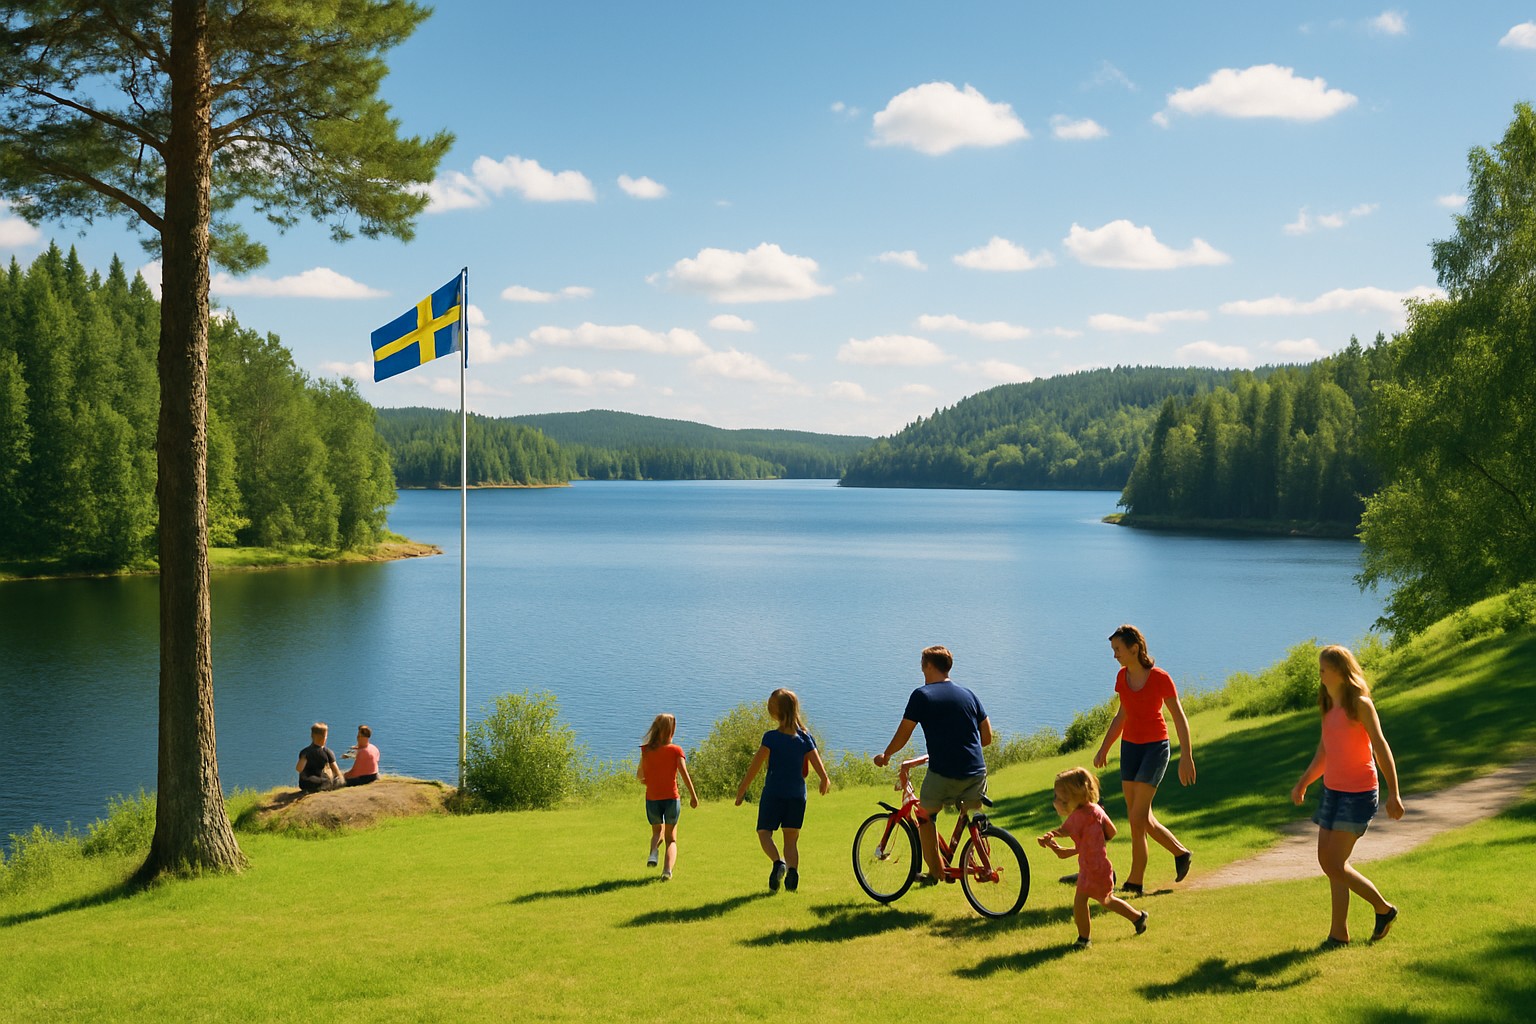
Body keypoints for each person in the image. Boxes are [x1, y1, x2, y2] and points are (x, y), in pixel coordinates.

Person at [1290, 644, 1404, 946]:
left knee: (1335, 863)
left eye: (1323, 668)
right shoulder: (1328, 705)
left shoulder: (1361, 705)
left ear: (1340, 671)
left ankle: (1383, 908)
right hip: (1332, 791)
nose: (1320, 673)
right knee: (1328, 862)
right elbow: (1324, 751)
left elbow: (1380, 746)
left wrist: (1394, 793)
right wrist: (1303, 782)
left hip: (1358, 793)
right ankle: (1338, 933)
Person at [872, 645, 992, 885]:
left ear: (927, 666)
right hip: (977, 772)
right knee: (969, 812)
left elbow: (904, 732)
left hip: (944, 773)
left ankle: (934, 874)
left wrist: (886, 755)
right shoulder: (969, 694)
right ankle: (976, 850)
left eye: (921, 663)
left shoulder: (922, 695)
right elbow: (986, 738)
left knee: (924, 817)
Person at [1093, 625, 1196, 893]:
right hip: (1130, 749)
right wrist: (1104, 748)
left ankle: (1135, 881)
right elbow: (1122, 715)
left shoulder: (1160, 678)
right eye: (1113, 649)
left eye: (1118, 649)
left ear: (1134, 648)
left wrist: (1187, 755)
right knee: (1140, 817)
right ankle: (1181, 853)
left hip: (1155, 749)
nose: (1114, 655)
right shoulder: (1121, 678)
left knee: (1137, 818)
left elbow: (1179, 717)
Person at [1038, 767, 1148, 947]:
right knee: (1106, 900)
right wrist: (1095, 843)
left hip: (1092, 869)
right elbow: (1111, 831)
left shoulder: (1077, 816)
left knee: (1086, 902)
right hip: (1100, 866)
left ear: (1073, 797)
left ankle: (1084, 939)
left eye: (1059, 798)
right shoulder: (1096, 810)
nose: (1056, 801)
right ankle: (1137, 918)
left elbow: (1064, 830)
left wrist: (1051, 836)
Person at [734, 688, 830, 892]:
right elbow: (817, 762)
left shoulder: (771, 738)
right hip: (797, 796)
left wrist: (743, 788)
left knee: (764, 833)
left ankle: (779, 863)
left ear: (777, 712)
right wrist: (824, 779)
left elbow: (755, 765)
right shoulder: (805, 738)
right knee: (791, 840)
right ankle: (793, 873)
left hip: (774, 794)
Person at [636, 713, 699, 881]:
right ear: (672, 730)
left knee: (657, 832)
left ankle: (653, 854)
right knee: (671, 839)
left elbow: (640, 777)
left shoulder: (646, 750)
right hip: (671, 798)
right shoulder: (676, 750)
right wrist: (693, 797)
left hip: (652, 798)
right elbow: (684, 774)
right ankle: (666, 871)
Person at [296, 722, 344, 793]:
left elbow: (299, 769)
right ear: (324, 737)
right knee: (329, 780)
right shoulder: (327, 752)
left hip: (304, 783)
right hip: (319, 783)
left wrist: (303, 758)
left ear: (312, 736)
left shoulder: (305, 752)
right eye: (326, 736)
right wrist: (342, 780)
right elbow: (336, 770)